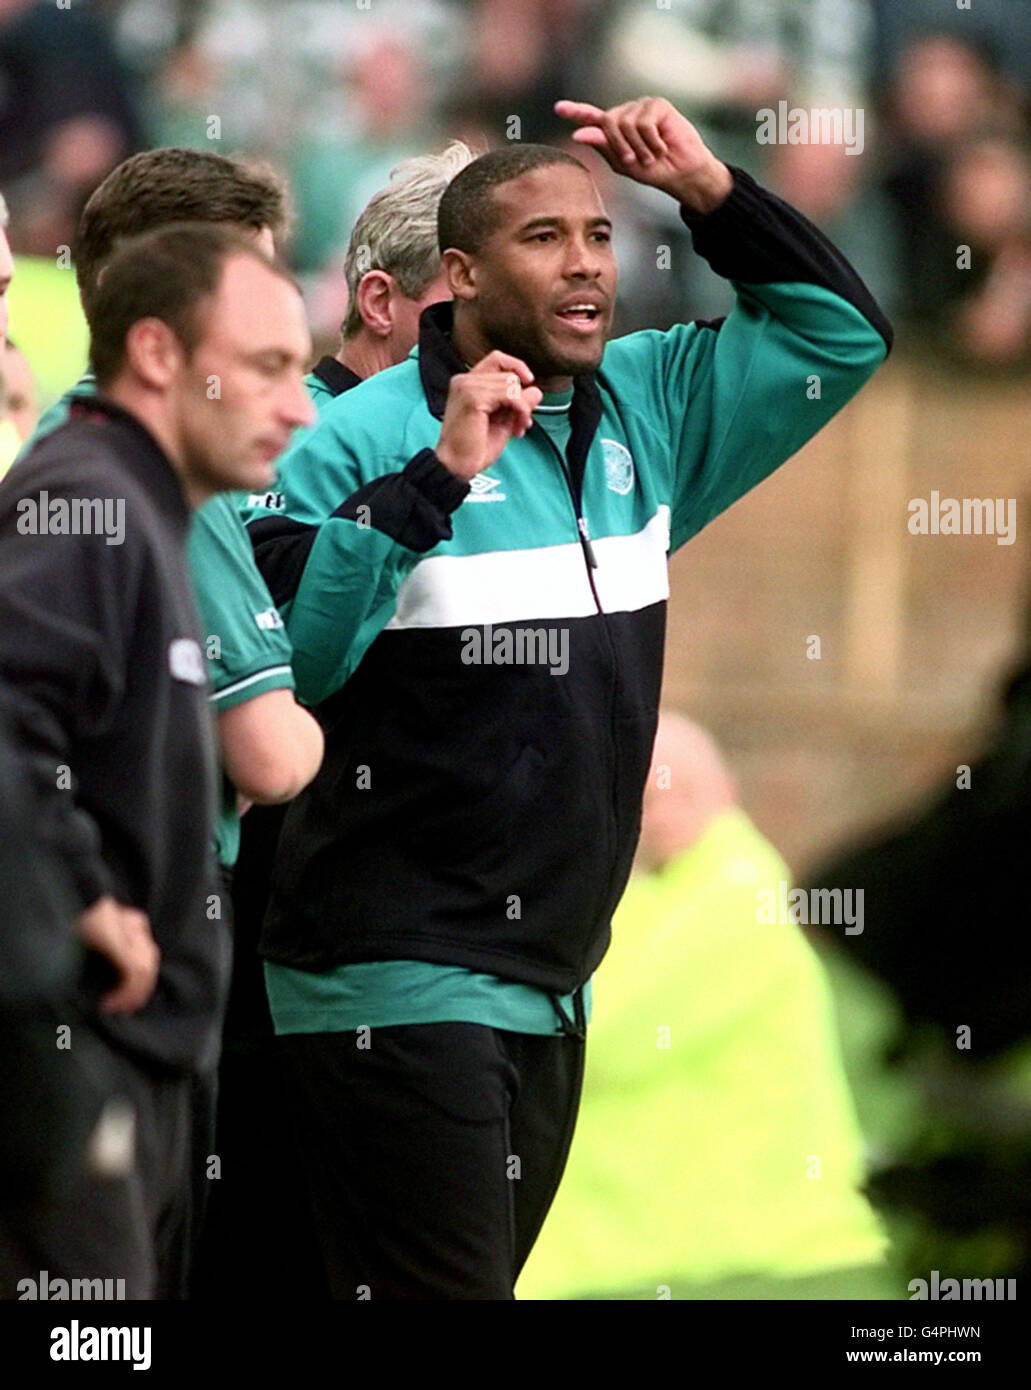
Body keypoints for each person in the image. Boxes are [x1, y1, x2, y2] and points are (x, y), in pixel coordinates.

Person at [243, 94, 892, 1299]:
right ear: (459, 273)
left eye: (598, 235)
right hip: (387, 976)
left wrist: (710, 191)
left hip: (550, 984)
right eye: (543, 239)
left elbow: (838, 338)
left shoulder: (647, 406)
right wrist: (434, 481)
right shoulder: (348, 435)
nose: (586, 262)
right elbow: (296, 669)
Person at [24, 148, 326, 1290]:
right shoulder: (108, 496)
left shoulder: (122, 485)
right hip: (103, 1006)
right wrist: (85, 895)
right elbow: (270, 751)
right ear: (158, 338)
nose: (295, 402)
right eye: (259, 358)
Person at [214, 142, 473, 1298]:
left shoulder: (521, 448)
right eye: (464, 304)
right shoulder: (275, 450)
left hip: (449, 959)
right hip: (268, 964)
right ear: (380, 300)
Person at [519, 712, 892, 1299]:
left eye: (682, 792)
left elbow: (594, 1034)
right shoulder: (658, 896)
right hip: (672, 1258)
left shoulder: (737, 896)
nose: (663, 815)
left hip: (746, 1259)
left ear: (728, 791)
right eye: (644, 795)